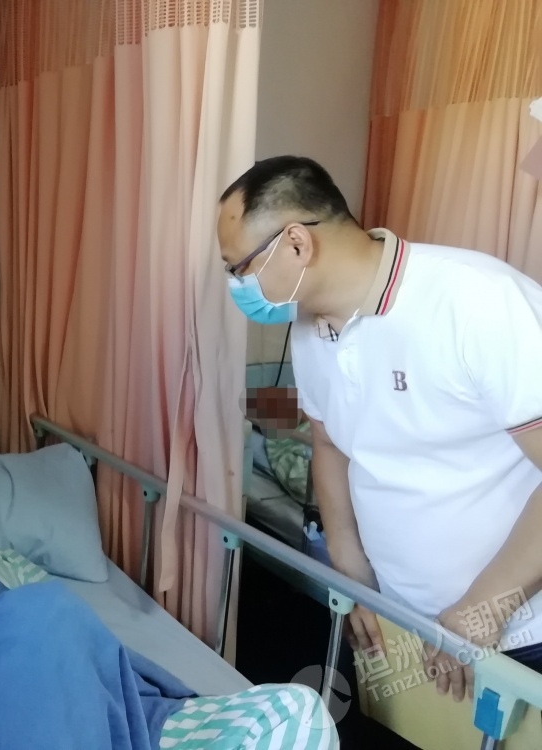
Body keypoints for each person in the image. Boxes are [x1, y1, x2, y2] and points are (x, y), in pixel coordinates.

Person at [216, 155, 542, 703]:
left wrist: (486, 606)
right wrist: (349, 572)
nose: (236, 285)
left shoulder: (477, 301)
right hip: (398, 619)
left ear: (296, 243)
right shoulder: (309, 330)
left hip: (515, 631)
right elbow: (329, 444)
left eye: (239, 267)